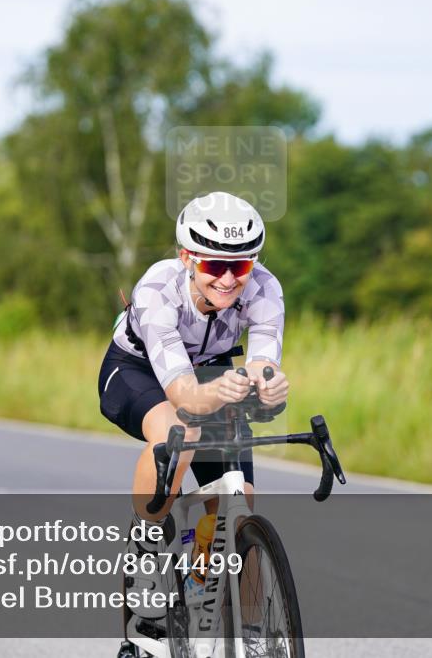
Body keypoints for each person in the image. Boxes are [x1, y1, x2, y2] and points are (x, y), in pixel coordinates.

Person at [96, 191, 289, 654]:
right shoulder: (157, 289)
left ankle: (244, 625)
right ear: (187, 258)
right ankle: (148, 545)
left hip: (212, 370)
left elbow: (263, 362)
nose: (228, 279)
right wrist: (220, 392)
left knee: (238, 501)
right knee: (179, 433)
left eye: (240, 266)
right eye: (215, 265)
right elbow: (183, 394)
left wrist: (269, 386)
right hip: (140, 370)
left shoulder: (265, 288)